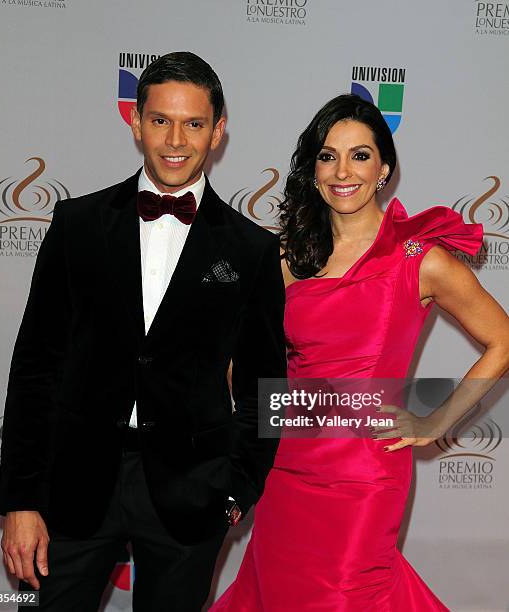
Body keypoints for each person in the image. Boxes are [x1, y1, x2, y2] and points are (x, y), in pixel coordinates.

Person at [0, 51, 286, 611]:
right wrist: (21, 500)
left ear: (218, 131)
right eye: (160, 120)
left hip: (190, 494)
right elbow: (35, 366)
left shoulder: (251, 250)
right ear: (135, 121)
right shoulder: (76, 225)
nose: (176, 139)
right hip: (74, 486)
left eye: (194, 123)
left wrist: (234, 493)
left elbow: (263, 385)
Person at [210, 94, 509, 610]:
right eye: (328, 156)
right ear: (314, 168)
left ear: (385, 169)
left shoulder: (420, 259)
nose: (342, 170)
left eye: (360, 155)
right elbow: (228, 329)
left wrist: (434, 422)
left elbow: (502, 341)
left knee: (348, 595)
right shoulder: (285, 256)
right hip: (286, 463)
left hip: (365, 473)